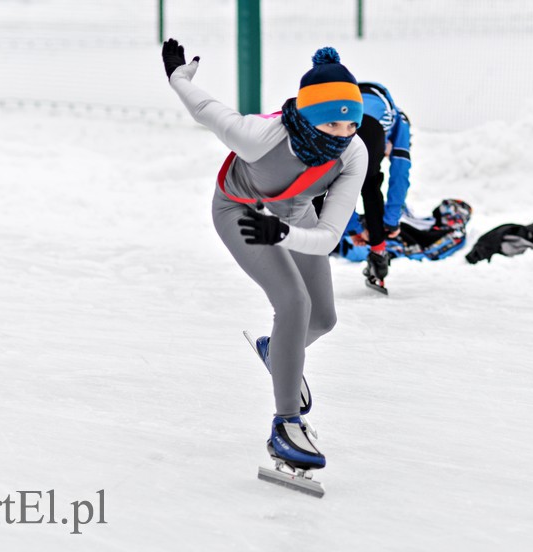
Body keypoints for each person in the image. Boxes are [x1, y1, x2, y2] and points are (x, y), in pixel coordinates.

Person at [162, 39, 367, 471]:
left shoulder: (353, 154)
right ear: (308, 116)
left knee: (322, 319)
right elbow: (206, 109)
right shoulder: (258, 137)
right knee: (293, 303)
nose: (343, 135)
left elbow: (329, 236)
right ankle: (285, 425)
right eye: (332, 124)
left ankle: (278, 350)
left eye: (352, 124)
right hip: (241, 211)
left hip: (293, 217)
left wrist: (286, 232)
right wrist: (179, 77)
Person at [315, 82, 412, 292]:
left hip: (334, 120)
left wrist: (353, 227)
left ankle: (309, 259)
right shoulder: (401, 122)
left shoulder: (353, 102)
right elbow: (400, 173)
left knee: (329, 183)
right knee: (370, 183)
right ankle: (378, 255)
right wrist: (391, 221)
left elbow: (339, 187)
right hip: (369, 125)